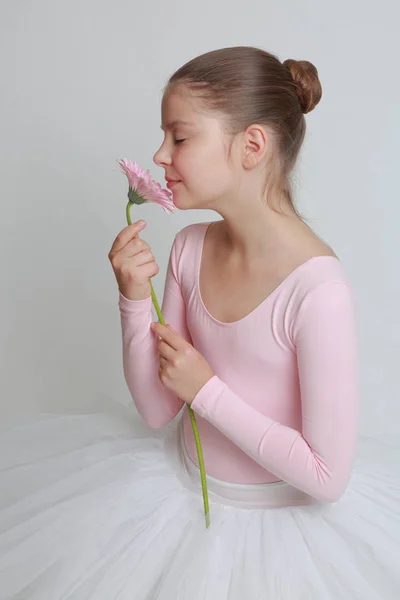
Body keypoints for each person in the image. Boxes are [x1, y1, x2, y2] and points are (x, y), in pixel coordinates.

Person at [0, 46, 399, 599]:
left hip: (279, 535)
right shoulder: (189, 248)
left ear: (252, 145)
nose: (160, 155)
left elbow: (327, 477)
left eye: (179, 137)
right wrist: (134, 300)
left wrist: (207, 391)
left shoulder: (318, 291)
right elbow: (159, 408)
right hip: (180, 494)